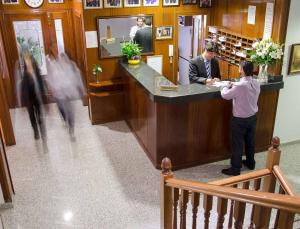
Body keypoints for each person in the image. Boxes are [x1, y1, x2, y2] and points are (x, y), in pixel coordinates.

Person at [220, 61, 261, 176]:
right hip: (252, 118)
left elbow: (225, 95)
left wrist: (224, 86)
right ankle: (250, 162)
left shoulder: (240, 86)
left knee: (237, 144)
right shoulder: (256, 83)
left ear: (242, 70)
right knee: (250, 141)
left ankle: (235, 168)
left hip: (240, 120)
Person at [19, 48, 47, 140]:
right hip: (29, 98)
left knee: (39, 115)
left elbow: (41, 84)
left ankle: (41, 129)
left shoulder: (37, 73)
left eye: (29, 60)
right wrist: (23, 101)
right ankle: (36, 131)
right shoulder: (24, 75)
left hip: (36, 96)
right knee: (31, 116)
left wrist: (43, 95)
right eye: (26, 59)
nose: (28, 62)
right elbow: (23, 89)